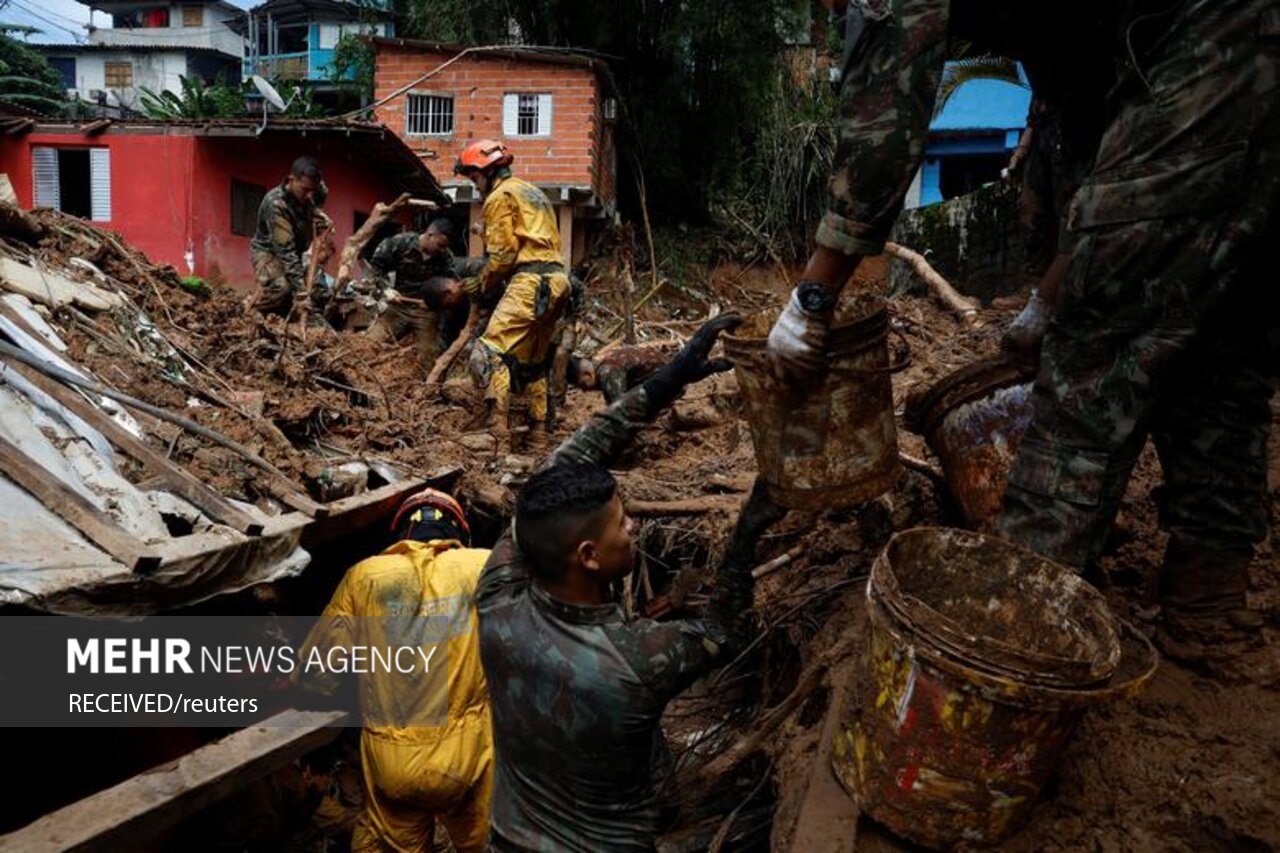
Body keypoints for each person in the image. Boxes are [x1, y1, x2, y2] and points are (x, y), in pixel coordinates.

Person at [766, 0, 1278, 664]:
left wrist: (812, 296)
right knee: (1221, 333)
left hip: (1215, 46)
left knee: (1093, 360)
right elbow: (1112, 154)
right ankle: (1208, 610)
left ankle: (1005, 644)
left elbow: (884, 119)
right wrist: (1048, 296)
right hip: (1242, 52)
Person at [475, 315, 792, 851]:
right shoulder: (636, 659)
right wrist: (746, 533)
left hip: (506, 839)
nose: (634, 527)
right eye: (623, 524)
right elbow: (723, 629)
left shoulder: (497, 598)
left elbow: (561, 466)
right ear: (588, 556)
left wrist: (664, 383)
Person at [295, 488, 493, 852]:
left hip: (393, 762)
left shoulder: (363, 577)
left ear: (401, 534)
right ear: (459, 531)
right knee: (483, 841)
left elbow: (317, 673)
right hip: (468, 760)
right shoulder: (482, 566)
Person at [454, 139, 573, 450]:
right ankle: (538, 436)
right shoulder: (531, 191)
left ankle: (497, 434)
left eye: (474, 178)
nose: (475, 185)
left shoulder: (499, 196)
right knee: (533, 363)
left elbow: (504, 257)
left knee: (488, 352)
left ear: (487, 172)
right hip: (557, 280)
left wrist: (481, 283)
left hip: (531, 281)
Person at [365, 219, 480, 368]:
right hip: (397, 306)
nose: (443, 250)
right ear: (430, 234)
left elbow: (450, 284)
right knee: (370, 344)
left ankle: (426, 388)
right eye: (440, 245)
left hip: (425, 311)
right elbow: (377, 266)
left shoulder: (445, 257)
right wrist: (385, 289)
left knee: (429, 357)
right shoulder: (400, 243)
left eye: (445, 247)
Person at [251, 156, 324, 318]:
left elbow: (321, 195)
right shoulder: (276, 204)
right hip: (269, 253)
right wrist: (301, 292)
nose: (310, 196)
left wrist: (320, 214)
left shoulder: (312, 190)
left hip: (295, 252)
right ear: (291, 180)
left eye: (314, 190)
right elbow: (286, 253)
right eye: (305, 190)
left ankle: (288, 314)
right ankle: (251, 309)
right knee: (282, 287)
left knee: (319, 289)